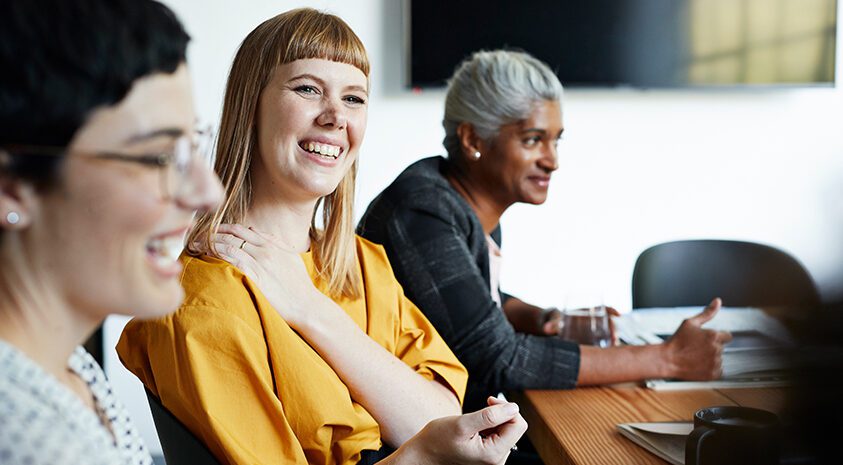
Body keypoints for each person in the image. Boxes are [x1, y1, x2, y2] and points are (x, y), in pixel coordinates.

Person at [117, 9, 525, 465]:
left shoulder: (364, 263)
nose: (335, 118)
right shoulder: (204, 303)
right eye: (308, 89)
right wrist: (419, 454)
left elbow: (437, 414)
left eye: (354, 98)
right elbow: (430, 439)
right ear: (250, 105)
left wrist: (312, 311)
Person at [357, 49, 733, 413]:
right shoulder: (423, 211)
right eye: (533, 139)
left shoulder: (459, 203)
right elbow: (498, 358)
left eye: (556, 140)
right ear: (473, 140)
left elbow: (469, 304)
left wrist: (544, 319)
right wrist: (666, 358)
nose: (552, 160)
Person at [0, 0, 223, 464]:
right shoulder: (23, 438)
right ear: (12, 188)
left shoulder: (69, 368)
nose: (208, 192)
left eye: (191, 147)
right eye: (157, 157)